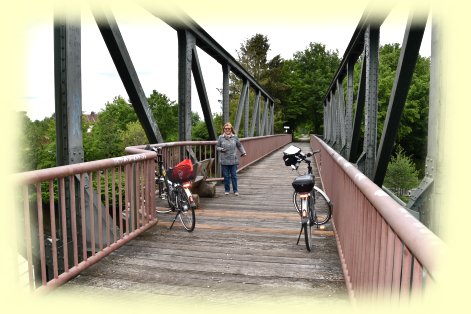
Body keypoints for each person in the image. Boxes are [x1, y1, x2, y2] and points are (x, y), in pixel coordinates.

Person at [216, 122, 247, 196]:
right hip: (224, 159)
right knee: (226, 176)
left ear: (231, 129)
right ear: (224, 129)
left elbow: (239, 145)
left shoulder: (235, 137)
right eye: (226, 128)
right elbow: (217, 147)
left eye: (229, 128)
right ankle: (227, 190)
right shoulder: (221, 137)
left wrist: (243, 152)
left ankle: (235, 190)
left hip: (233, 159)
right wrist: (221, 149)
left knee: (234, 175)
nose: (227, 130)